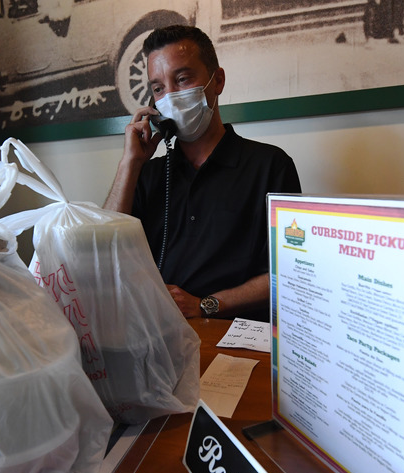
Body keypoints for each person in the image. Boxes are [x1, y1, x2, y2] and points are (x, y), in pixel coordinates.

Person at [104, 25, 301, 321]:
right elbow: (104, 254)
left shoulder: (270, 166)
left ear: (217, 80)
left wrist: (205, 304)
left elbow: (292, 270)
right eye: (158, 88)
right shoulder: (148, 174)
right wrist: (129, 164)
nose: (169, 97)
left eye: (182, 79)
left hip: (237, 336)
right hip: (162, 336)